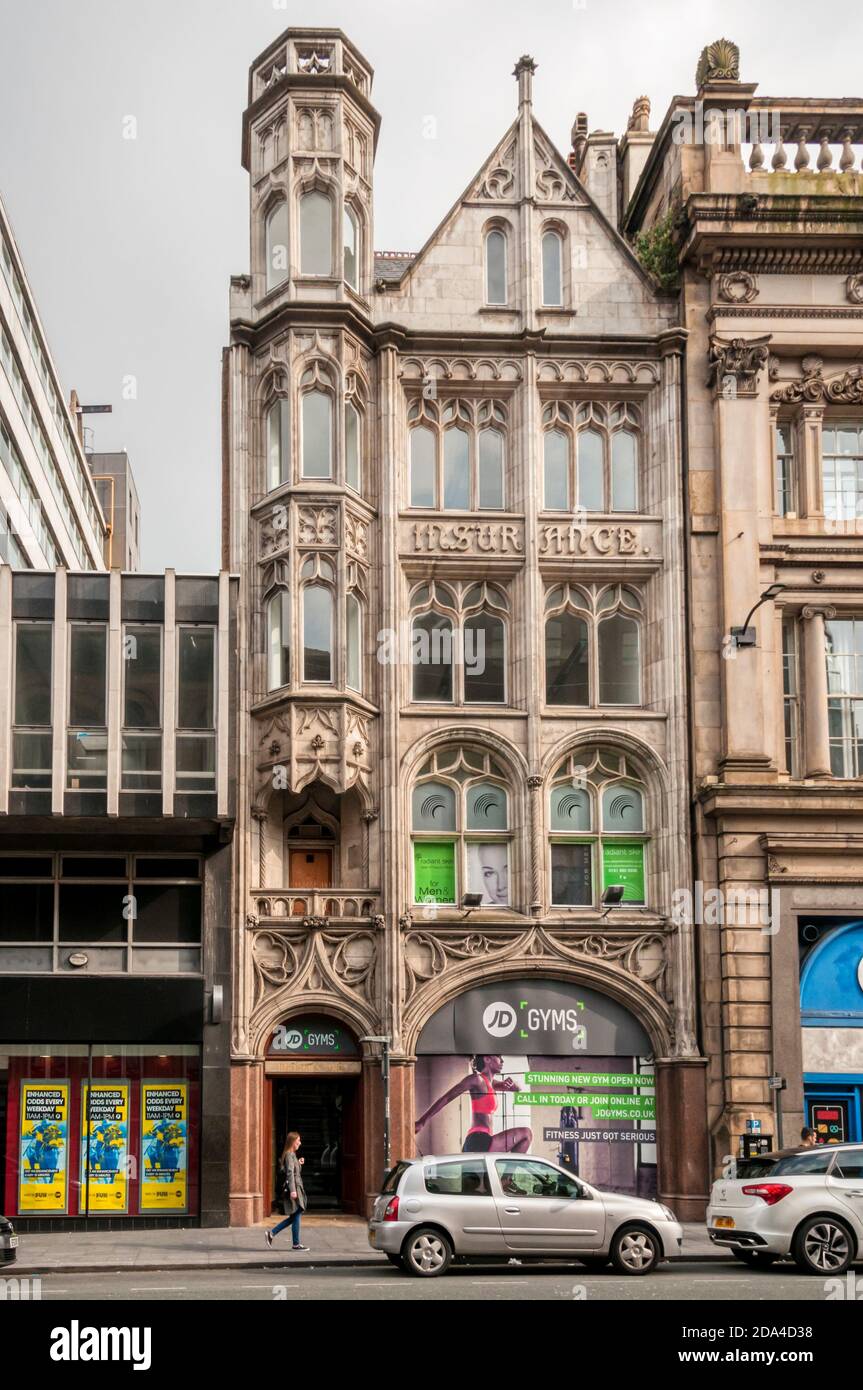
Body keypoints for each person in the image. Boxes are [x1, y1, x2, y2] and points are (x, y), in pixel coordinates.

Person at [415, 1055, 532, 1153]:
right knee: (526, 1134)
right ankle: (507, 1178)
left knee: (481, 1181)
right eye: (499, 1057)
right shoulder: (477, 1080)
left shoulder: (491, 1084)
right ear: (487, 1059)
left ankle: (506, 1179)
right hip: (479, 1140)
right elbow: (447, 1097)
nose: (502, 1061)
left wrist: (512, 1083)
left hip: (479, 1142)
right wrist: (422, 1121)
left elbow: (518, 1088)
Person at [265, 1131, 309, 1250]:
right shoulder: (289, 1155)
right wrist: (293, 1191)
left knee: (295, 1215)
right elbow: (289, 1173)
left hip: (297, 1187)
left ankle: (272, 1233)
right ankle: (295, 1243)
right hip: (295, 1188)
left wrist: (299, 1163)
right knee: (297, 1213)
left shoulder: (292, 1155)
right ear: (293, 1142)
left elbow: (293, 1170)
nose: (300, 1143)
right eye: (298, 1140)